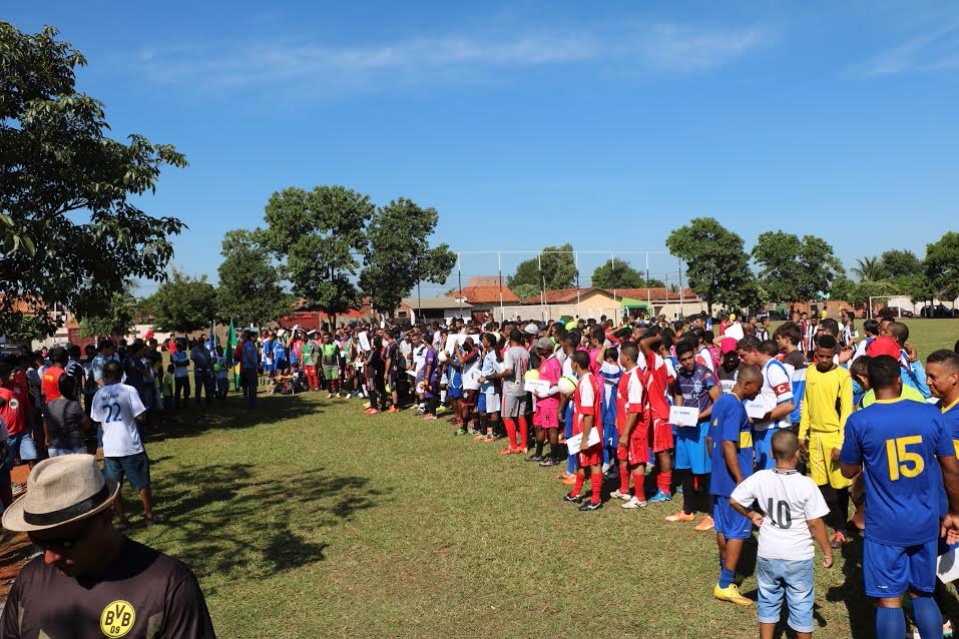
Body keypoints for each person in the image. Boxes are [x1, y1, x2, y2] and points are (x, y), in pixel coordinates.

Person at [1, 454, 215, 638]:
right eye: (39, 542)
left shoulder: (168, 587)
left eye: (65, 542)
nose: (49, 558)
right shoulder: (29, 580)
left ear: (106, 518)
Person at [839, 355, 959, 639]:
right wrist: (955, 512)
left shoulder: (859, 420)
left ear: (868, 384)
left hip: (884, 526)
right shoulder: (930, 414)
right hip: (926, 521)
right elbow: (952, 469)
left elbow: (848, 470)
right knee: (923, 594)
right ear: (898, 380)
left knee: (889, 601)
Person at [730, 429, 833, 639]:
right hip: (798, 555)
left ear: (771, 452)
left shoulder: (761, 478)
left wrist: (752, 514)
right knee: (802, 603)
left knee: (768, 599)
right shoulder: (806, 484)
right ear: (797, 453)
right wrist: (827, 552)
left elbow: (734, 499)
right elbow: (815, 522)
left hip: (768, 551)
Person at [709, 365, 763, 606]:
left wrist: (719, 468)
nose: (758, 393)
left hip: (719, 479)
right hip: (734, 482)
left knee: (723, 530)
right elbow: (728, 443)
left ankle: (727, 574)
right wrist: (741, 479)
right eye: (757, 388)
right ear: (747, 384)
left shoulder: (720, 402)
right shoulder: (735, 407)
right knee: (739, 532)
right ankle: (724, 584)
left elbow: (711, 439)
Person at [798, 334, 854, 550]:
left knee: (839, 486)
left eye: (828, 357)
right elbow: (808, 404)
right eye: (820, 356)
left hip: (833, 437)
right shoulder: (810, 372)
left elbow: (847, 412)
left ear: (835, 355)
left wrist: (841, 443)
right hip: (815, 438)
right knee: (819, 484)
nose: (824, 360)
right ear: (815, 352)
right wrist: (803, 432)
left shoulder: (843, 376)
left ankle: (841, 530)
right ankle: (825, 522)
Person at [91, 361, 160, 528]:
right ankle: (148, 514)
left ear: (105, 376)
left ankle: (122, 518)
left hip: (111, 447)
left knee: (114, 486)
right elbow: (140, 416)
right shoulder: (128, 390)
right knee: (142, 482)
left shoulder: (99, 395)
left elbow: (98, 420)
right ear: (122, 374)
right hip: (130, 444)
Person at [666, 340, 721, 531]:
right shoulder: (680, 374)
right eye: (684, 359)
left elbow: (718, 402)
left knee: (704, 472)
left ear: (694, 353)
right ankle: (687, 510)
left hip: (702, 428)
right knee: (685, 470)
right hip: (684, 429)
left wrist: (700, 415)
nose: (688, 362)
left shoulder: (706, 374)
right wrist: (679, 411)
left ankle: (713, 514)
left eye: (690, 357)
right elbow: (678, 393)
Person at [738, 336, 795, 471]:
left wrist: (764, 417)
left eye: (743, 356)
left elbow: (788, 405)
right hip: (761, 430)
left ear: (754, 351)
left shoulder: (773, 369)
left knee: (773, 477)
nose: (741, 360)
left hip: (774, 432)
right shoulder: (761, 370)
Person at [610, 343, 650, 510]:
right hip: (625, 424)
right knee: (623, 456)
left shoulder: (635, 378)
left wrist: (626, 433)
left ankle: (640, 497)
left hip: (635, 428)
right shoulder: (627, 374)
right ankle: (625, 489)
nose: (619, 358)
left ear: (626, 357)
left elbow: (634, 410)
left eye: (620, 355)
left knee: (636, 460)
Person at [563, 350, 604, 512]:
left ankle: (595, 499)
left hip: (586, 431)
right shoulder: (587, 379)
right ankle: (576, 492)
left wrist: (585, 438)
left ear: (575, 364)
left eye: (572, 361)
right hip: (582, 430)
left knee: (594, 462)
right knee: (581, 461)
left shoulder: (586, 382)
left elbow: (588, 413)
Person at [496, 329, 530, 455]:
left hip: (511, 388)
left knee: (506, 416)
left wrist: (499, 375)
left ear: (510, 339)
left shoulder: (509, 352)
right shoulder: (526, 352)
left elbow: (509, 371)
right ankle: (524, 445)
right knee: (521, 416)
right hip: (523, 387)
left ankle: (513, 445)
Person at [44, 374, 90, 457]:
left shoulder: (49, 405)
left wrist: (47, 438)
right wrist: (81, 431)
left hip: (55, 448)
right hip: (75, 447)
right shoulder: (74, 405)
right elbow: (86, 424)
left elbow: (45, 424)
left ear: (58, 388)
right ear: (73, 389)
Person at [171, 341, 191, 409]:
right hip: (178, 376)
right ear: (177, 347)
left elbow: (188, 363)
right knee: (178, 391)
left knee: (187, 390)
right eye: (179, 347)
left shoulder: (184, 353)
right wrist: (183, 363)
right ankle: (177, 405)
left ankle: (186, 404)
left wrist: (180, 363)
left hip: (185, 375)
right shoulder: (174, 354)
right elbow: (177, 364)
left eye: (181, 347)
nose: (180, 348)